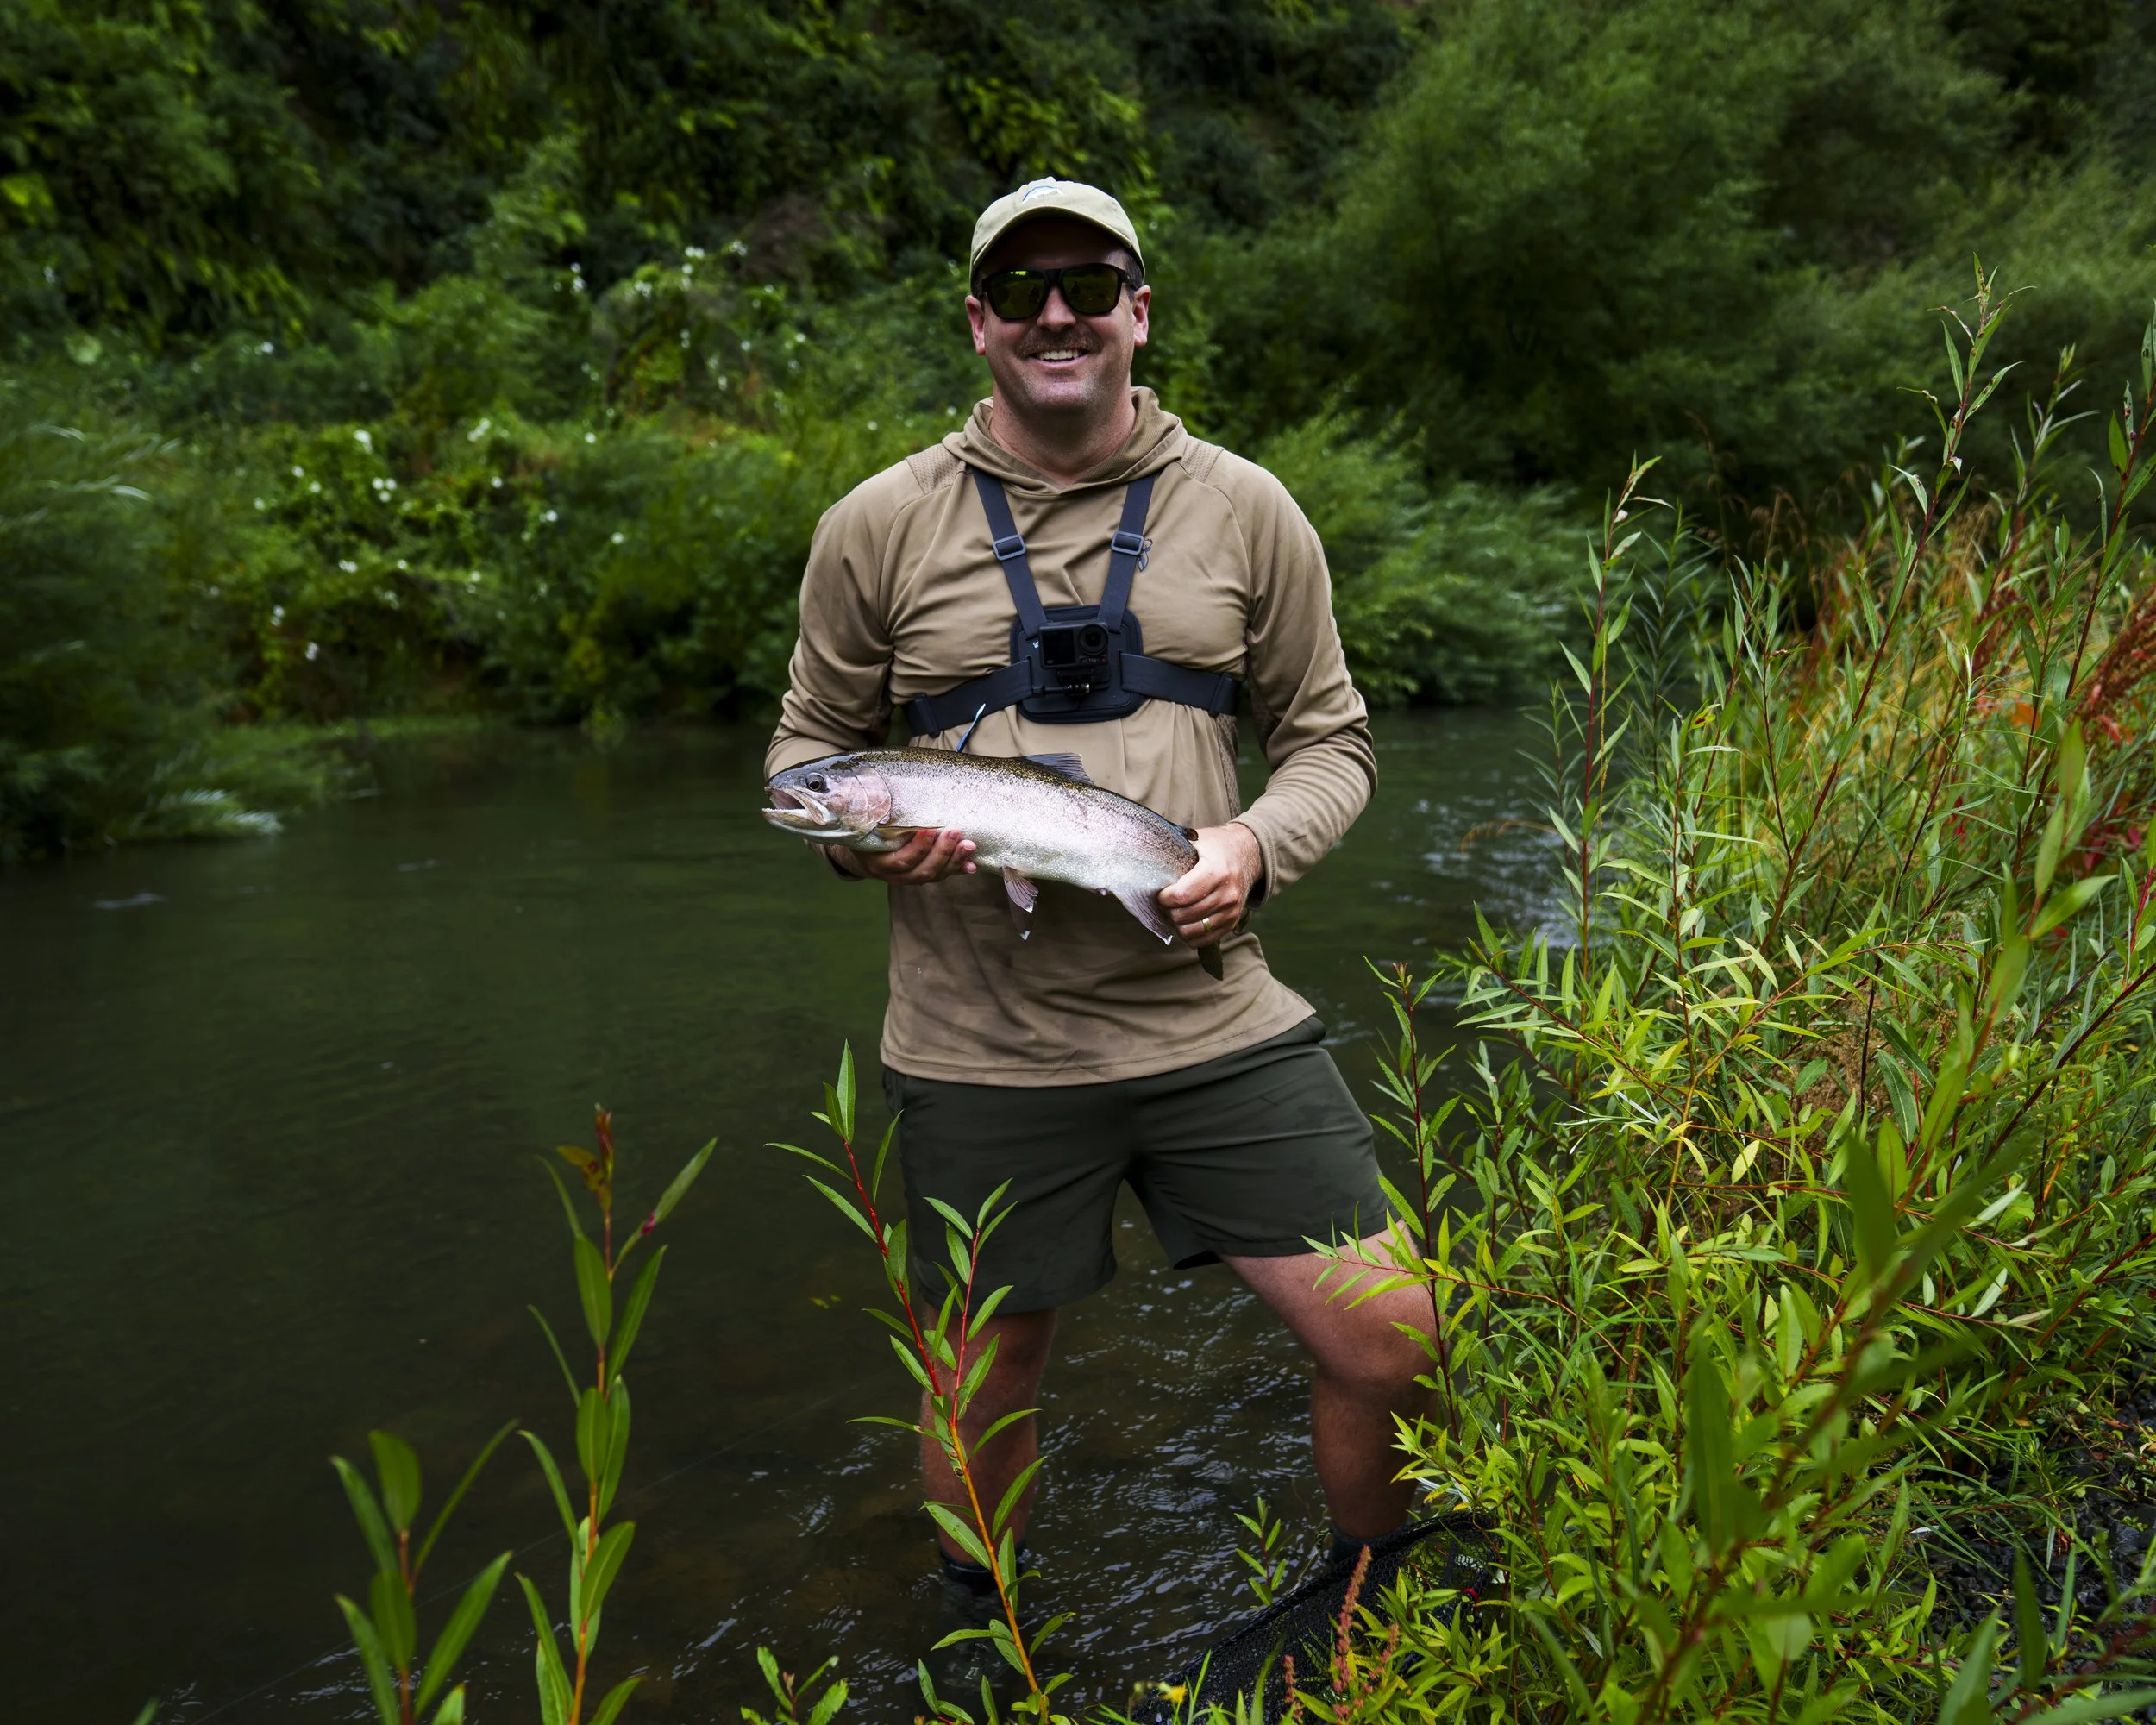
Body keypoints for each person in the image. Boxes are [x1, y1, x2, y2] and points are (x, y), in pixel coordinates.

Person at [765, 179, 1430, 1615]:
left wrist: (1251, 847)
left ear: (1139, 310)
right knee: (988, 1377)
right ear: (978, 324)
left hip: (1211, 1017)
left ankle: (1371, 1608)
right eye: (1020, 291)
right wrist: (860, 842)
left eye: (1085, 284)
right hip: (980, 1045)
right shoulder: (875, 525)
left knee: (1393, 1340)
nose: (1053, 314)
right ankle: (978, 1634)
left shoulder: (1248, 509)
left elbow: (1331, 740)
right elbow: (807, 758)